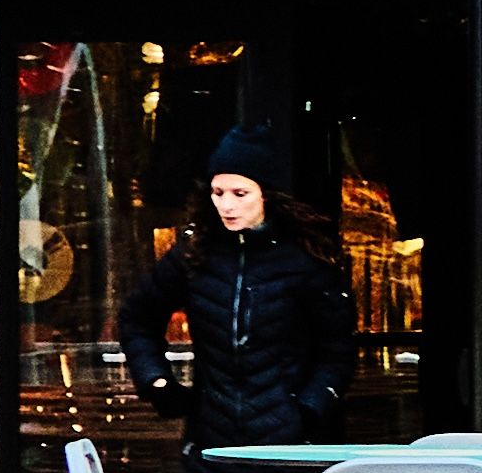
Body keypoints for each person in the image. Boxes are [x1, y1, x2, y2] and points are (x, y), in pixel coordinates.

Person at [129, 123, 354, 451]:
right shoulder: (195, 253)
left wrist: (308, 408)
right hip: (210, 446)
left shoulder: (305, 260)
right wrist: (158, 382)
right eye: (217, 193)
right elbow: (137, 317)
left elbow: (337, 350)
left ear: (266, 194)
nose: (227, 205)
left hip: (289, 447)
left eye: (240, 194)